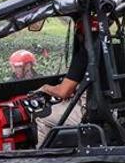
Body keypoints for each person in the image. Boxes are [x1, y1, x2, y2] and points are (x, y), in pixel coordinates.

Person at [35, 18, 95, 146]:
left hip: (88, 112)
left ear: (80, 34)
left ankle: (40, 158)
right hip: (113, 110)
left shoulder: (85, 55)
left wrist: (45, 88)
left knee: (41, 117)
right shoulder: (111, 52)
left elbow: (63, 92)